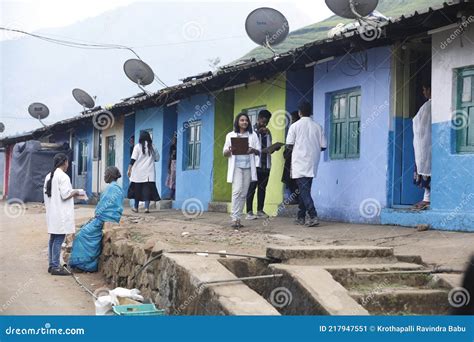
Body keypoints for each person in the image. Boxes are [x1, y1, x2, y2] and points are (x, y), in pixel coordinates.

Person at [69, 166, 124, 272]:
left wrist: (97, 215)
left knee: (81, 235)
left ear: (109, 175)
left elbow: (104, 207)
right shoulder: (116, 188)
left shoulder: (111, 188)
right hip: (105, 218)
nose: (103, 176)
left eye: (105, 174)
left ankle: (84, 264)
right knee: (83, 230)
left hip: (103, 219)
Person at [286, 101, 327, 227]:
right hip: (313, 162)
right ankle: (301, 216)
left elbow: (289, 145)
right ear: (311, 112)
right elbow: (323, 146)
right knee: (305, 189)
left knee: (303, 191)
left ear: (299, 112)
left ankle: (313, 215)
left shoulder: (294, 126)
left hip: (300, 162)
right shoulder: (318, 126)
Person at [43, 153, 81, 276]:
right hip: (60, 214)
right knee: (58, 239)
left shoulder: (49, 176)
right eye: (67, 162)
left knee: (53, 239)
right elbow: (65, 195)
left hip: (52, 213)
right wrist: (76, 192)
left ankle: (51, 265)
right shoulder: (63, 177)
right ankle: (55, 266)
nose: (68, 164)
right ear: (65, 162)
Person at [223, 113, 261, 228]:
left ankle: (239, 218)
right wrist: (230, 150)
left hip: (249, 167)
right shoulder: (230, 135)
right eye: (242, 120)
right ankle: (234, 218)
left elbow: (259, 152)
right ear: (237, 122)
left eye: (246, 120)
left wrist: (252, 150)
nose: (244, 122)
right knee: (237, 191)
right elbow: (224, 153)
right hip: (237, 167)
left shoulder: (253, 135)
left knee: (244, 193)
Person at [246, 110, 280, 220]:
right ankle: (249, 212)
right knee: (252, 188)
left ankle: (260, 210)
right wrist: (258, 133)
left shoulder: (268, 132)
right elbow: (249, 147)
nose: (265, 124)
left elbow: (269, 148)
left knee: (262, 188)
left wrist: (274, 148)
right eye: (263, 121)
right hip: (255, 164)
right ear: (259, 119)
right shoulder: (251, 131)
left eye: (267, 122)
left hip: (266, 165)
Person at [127, 131, 160, 213]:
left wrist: (129, 169)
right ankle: (146, 208)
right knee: (147, 191)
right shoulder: (152, 147)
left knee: (137, 191)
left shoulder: (137, 147)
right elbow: (157, 158)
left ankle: (136, 208)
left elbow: (133, 159)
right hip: (149, 173)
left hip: (138, 173)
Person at [412, 83, 432, 211]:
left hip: (426, 144)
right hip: (423, 144)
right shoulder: (427, 105)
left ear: (430, 89)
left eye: (425, 89)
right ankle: (426, 199)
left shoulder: (429, 106)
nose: (423, 92)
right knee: (425, 169)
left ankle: (427, 199)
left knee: (427, 170)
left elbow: (424, 125)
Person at [282, 111, 301, 205]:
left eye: (293, 119)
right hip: (292, 157)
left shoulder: (296, 128)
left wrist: (287, 152)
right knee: (289, 178)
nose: (293, 121)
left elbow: (291, 144)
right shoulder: (293, 128)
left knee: (293, 179)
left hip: (294, 157)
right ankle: (295, 197)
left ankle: (297, 198)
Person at [165, 133, 177, 200]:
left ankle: (172, 195)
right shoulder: (172, 147)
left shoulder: (178, 147)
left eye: (175, 139)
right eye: (173, 139)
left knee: (174, 179)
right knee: (171, 179)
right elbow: (170, 157)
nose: (174, 140)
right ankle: (171, 195)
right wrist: (168, 166)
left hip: (176, 163)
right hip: (173, 163)